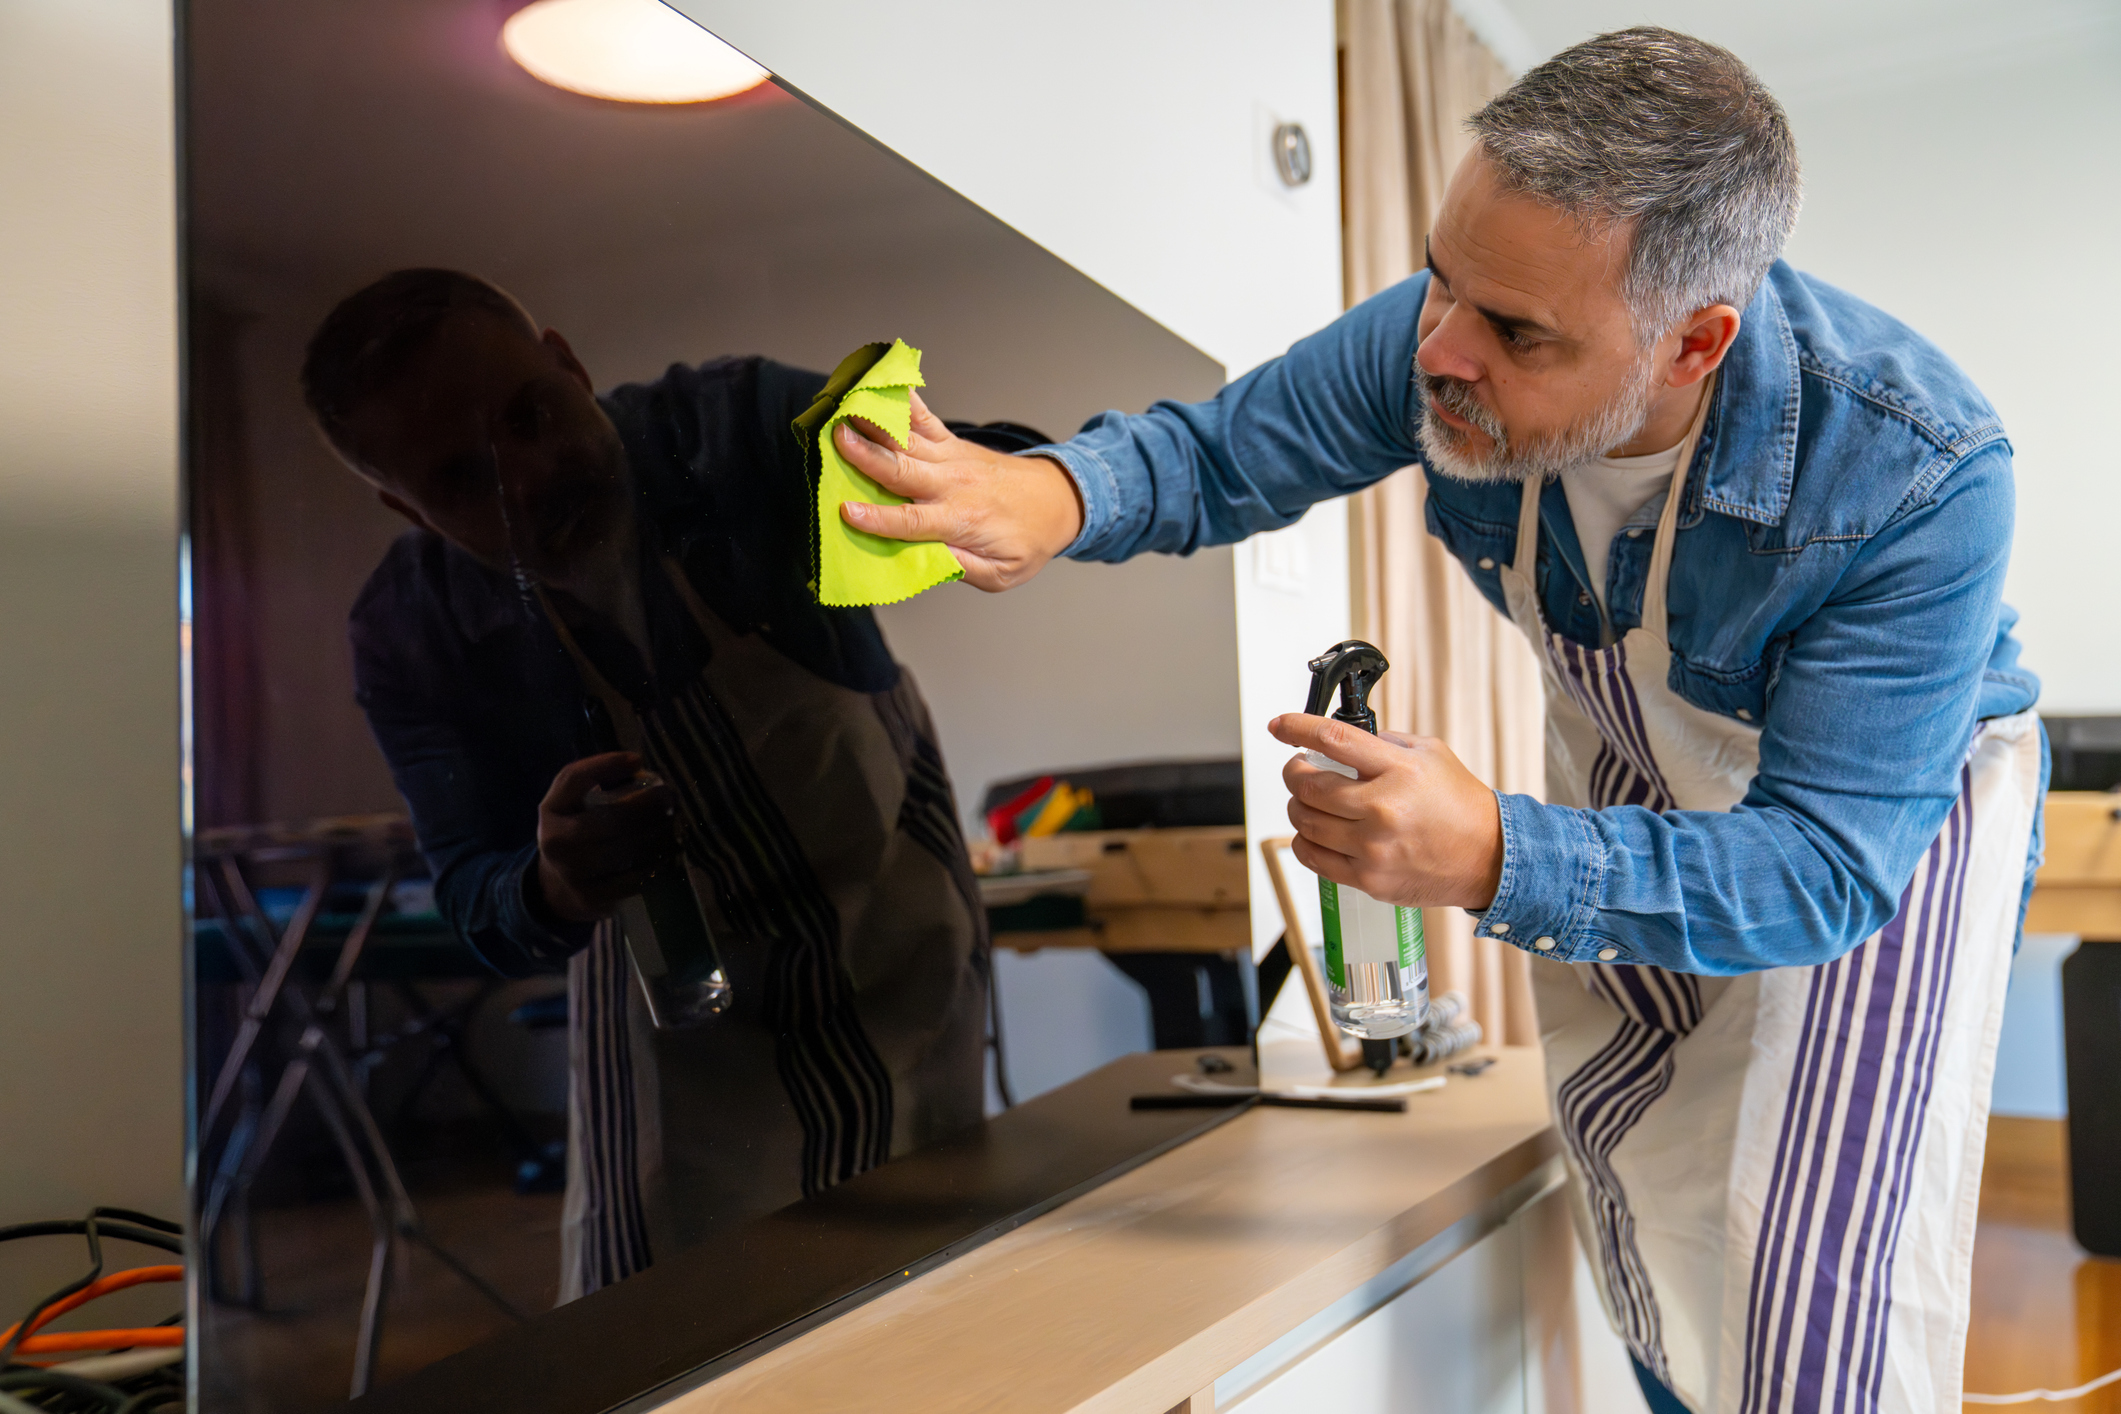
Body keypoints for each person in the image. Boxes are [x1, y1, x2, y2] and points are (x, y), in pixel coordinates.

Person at [827, 28, 2045, 1414]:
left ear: (1693, 343)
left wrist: (1493, 858)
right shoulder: (1449, 326)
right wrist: (1038, 497)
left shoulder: (1913, 470)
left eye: (1517, 332)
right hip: (1634, 756)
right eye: (1441, 280)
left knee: (1812, 1261)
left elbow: (1823, 866)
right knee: (1638, 1161)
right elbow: (1226, 453)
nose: (1441, 353)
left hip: (1873, 809)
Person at [300, 269, 992, 1300]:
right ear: (406, 506)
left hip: (902, 953)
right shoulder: (412, 628)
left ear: (570, 364)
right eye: (459, 480)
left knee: (931, 1308)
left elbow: (979, 476)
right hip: (678, 1030)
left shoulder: (738, 427)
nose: (525, 481)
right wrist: (553, 887)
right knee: (688, 1333)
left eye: (533, 414)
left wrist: (1005, 487)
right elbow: (474, 896)